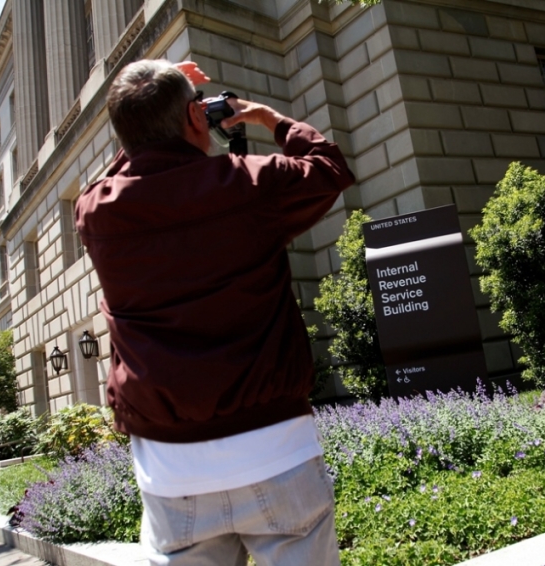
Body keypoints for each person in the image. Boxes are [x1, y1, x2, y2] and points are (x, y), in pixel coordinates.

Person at [75, 58, 355, 566]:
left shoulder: (97, 212)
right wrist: (267, 119)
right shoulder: (249, 183)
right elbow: (328, 167)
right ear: (195, 117)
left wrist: (146, 112)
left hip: (171, 469)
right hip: (276, 451)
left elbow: (129, 163)